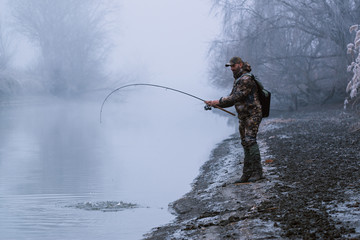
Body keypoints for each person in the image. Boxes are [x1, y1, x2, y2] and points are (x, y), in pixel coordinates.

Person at [205, 56, 263, 183]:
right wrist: (215, 104)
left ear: (240, 64)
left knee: (250, 141)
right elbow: (231, 99)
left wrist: (218, 101)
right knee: (245, 143)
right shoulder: (238, 80)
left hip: (253, 114)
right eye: (230, 66)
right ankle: (246, 175)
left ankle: (258, 173)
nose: (231, 68)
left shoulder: (246, 79)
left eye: (233, 66)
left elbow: (236, 97)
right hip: (243, 116)